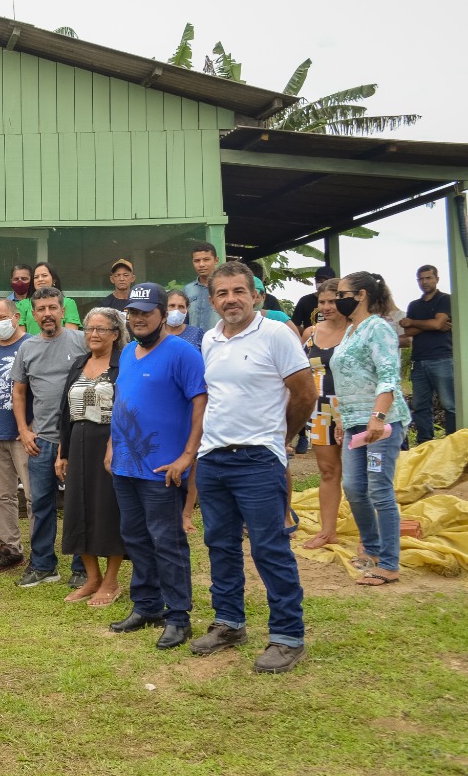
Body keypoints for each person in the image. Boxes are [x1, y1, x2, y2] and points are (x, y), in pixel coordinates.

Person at [191, 262, 315, 673]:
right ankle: (229, 623)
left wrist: (281, 437)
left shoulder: (277, 334)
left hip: (258, 459)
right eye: (222, 294)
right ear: (211, 301)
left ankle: (287, 637)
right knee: (220, 545)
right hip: (213, 458)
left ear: (255, 295)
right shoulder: (209, 340)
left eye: (238, 292)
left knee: (269, 548)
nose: (231, 300)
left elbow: (305, 393)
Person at [106, 285, 207, 649]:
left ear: (163, 314)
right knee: (134, 538)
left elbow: (201, 404)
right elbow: (123, 401)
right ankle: (146, 605)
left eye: (146, 313)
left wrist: (187, 456)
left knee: (167, 541)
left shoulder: (184, 353)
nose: (138, 319)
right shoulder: (129, 352)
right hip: (126, 466)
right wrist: (111, 445)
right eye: (133, 313)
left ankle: (178, 616)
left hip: (163, 468)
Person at [331, 271, 413, 588]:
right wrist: (341, 417)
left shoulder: (378, 328)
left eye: (341, 294)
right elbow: (345, 379)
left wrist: (378, 416)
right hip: (355, 427)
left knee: (379, 489)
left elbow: (388, 376)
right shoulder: (351, 331)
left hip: (382, 427)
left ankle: (389, 564)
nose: (338, 300)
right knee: (353, 487)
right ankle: (373, 549)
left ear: (361, 295)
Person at [11, 286, 88, 588]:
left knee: (78, 504)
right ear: (32, 313)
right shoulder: (27, 348)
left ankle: (82, 567)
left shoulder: (81, 341)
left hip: (78, 437)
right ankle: (43, 565)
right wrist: (23, 429)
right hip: (41, 440)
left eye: (52, 308)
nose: (47, 314)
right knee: (40, 503)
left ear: (62, 309)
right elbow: (18, 392)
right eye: (40, 309)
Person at [55, 307, 126, 607]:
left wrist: (115, 445)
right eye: (89, 329)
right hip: (79, 442)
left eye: (101, 329)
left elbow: (126, 409)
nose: (94, 334)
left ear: (115, 333)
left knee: (108, 511)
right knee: (77, 510)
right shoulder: (79, 365)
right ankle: (92, 577)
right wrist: (63, 452)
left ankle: (111, 581)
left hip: (109, 444)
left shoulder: (123, 365)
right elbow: (66, 411)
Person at [0, 298, 32, 573]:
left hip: (25, 433)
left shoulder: (32, 344)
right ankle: (11, 548)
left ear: (15, 317)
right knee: (2, 495)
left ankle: (41, 552)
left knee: (34, 495)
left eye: (2, 317)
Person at [300, 279, 346, 550]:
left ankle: (370, 535)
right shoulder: (311, 333)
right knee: (328, 471)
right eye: (322, 302)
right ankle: (328, 531)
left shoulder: (357, 331)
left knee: (357, 475)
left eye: (333, 301)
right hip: (319, 411)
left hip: (350, 409)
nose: (327, 307)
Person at [401, 265, 455, 443]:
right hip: (419, 360)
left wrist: (414, 322)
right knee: (420, 405)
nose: (424, 282)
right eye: (421, 279)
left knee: (449, 404)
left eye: (428, 278)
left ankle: (453, 440)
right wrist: (431, 324)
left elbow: (438, 324)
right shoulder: (414, 305)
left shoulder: (445, 299)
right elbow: (408, 332)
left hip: (442, 358)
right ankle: (425, 442)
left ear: (437, 279)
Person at [20, 263, 81, 333]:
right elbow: (21, 337)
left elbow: (71, 334)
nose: (40, 279)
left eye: (44, 275)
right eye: (36, 277)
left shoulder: (68, 303)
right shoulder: (22, 305)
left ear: (54, 280)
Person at [182, 243, 220, 332]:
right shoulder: (187, 290)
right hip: (193, 342)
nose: (201, 264)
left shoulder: (225, 288)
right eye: (197, 261)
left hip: (219, 342)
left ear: (216, 260)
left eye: (206, 260)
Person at [291, 265, 337, 332]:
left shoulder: (340, 300)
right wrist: (309, 333)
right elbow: (294, 325)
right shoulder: (305, 301)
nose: (322, 283)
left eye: (331, 301)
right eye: (319, 281)